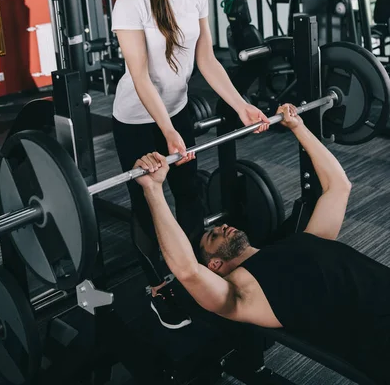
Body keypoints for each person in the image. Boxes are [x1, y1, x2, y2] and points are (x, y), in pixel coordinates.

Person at [133, 104, 390, 384]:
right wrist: (153, 189)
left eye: (216, 227)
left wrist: (298, 127)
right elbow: (187, 271)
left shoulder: (306, 240)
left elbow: (339, 186)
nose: (220, 227)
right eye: (213, 236)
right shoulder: (241, 294)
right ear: (214, 264)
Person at [111, 0, 269, 330]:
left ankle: (197, 274)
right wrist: (166, 130)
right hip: (137, 120)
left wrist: (242, 105)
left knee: (190, 192)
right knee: (150, 204)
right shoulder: (132, 1)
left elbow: (208, 62)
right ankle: (161, 287)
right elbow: (140, 76)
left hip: (177, 113)